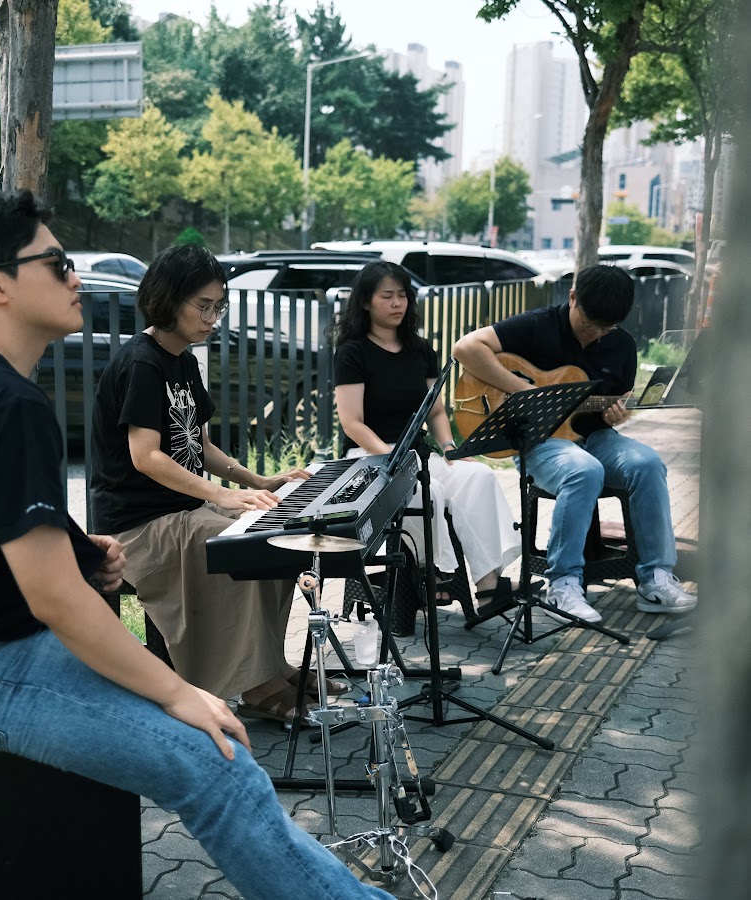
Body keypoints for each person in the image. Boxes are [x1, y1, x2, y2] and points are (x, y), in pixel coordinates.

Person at [0, 190, 391, 900]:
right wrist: (182, 693)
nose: (75, 276)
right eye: (56, 263)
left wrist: (80, 550)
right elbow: (55, 601)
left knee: (211, 748)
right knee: (218, 761)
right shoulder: (4, 401)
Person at [91, 243, 349, 724]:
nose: (212, 319)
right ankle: (254, 685)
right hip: (138, 524)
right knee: (237, 545)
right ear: (169, 299)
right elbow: (146, 457)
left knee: (277, 532)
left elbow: (200, 444)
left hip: (182, 509)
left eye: (218, 308)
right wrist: (221, 495)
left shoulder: (184, 361)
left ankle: (270, 665)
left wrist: (257, 480)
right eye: (203, 306)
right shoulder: (142, 363)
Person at [452, 263, 697, 623]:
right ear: (572, 298)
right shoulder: (537, 325)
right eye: (589, 323)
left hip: (594, 437)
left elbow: (612, 407)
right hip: (538, 442)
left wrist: (615, 416)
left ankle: (656, 578)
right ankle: (563, 584)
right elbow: (465, 347)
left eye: (605, 327)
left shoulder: (622, 345)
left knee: (647, 463)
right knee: (584, 470)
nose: (595, 333)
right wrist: (524, 390)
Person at [333, 260, 520, 612]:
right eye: (387, 296)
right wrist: (390, 457)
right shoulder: (352, 352)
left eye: (402, 295)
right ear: (365, 302)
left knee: (478, 476)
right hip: (369, 457)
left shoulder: (420, 349)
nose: (397, 303)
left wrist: (449, 446)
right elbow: (352, 422)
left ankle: (488, 586)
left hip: (417, 453)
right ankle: (432, 574)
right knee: (426, 492)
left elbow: (434, 411)